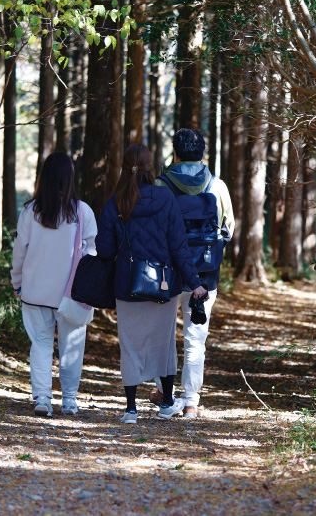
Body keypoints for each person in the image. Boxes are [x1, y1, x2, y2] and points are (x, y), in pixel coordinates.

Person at [96, 144, 207, 424]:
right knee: (163, 344)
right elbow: (179, 245)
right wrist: (195, 283)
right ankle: (167, 403)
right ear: (152, 168)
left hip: (126, 285)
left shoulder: (115, 202)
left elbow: (105, 249)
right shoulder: (165, 198)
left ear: (124, 168)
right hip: (163, 285)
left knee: (130, 345)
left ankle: (131, 409)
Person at [151, 128, 235, 418]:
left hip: (166, 274)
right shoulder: (217, 185)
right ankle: (190, 402)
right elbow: (229, 229)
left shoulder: (161, 185)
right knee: (195, 338)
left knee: (163, 335)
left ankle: (164, 392)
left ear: (175, 153)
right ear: (202, 153)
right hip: (205, 275)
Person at [10, 152, 97, 417]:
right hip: (73, 293)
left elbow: (19, 253)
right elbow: (92, 255)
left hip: (36, 292)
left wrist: (17, 282)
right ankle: (69, 401)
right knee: (72, 347)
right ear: (71, 178)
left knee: (41, 344)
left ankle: (43, 400)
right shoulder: (82, 212)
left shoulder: (31, 211)